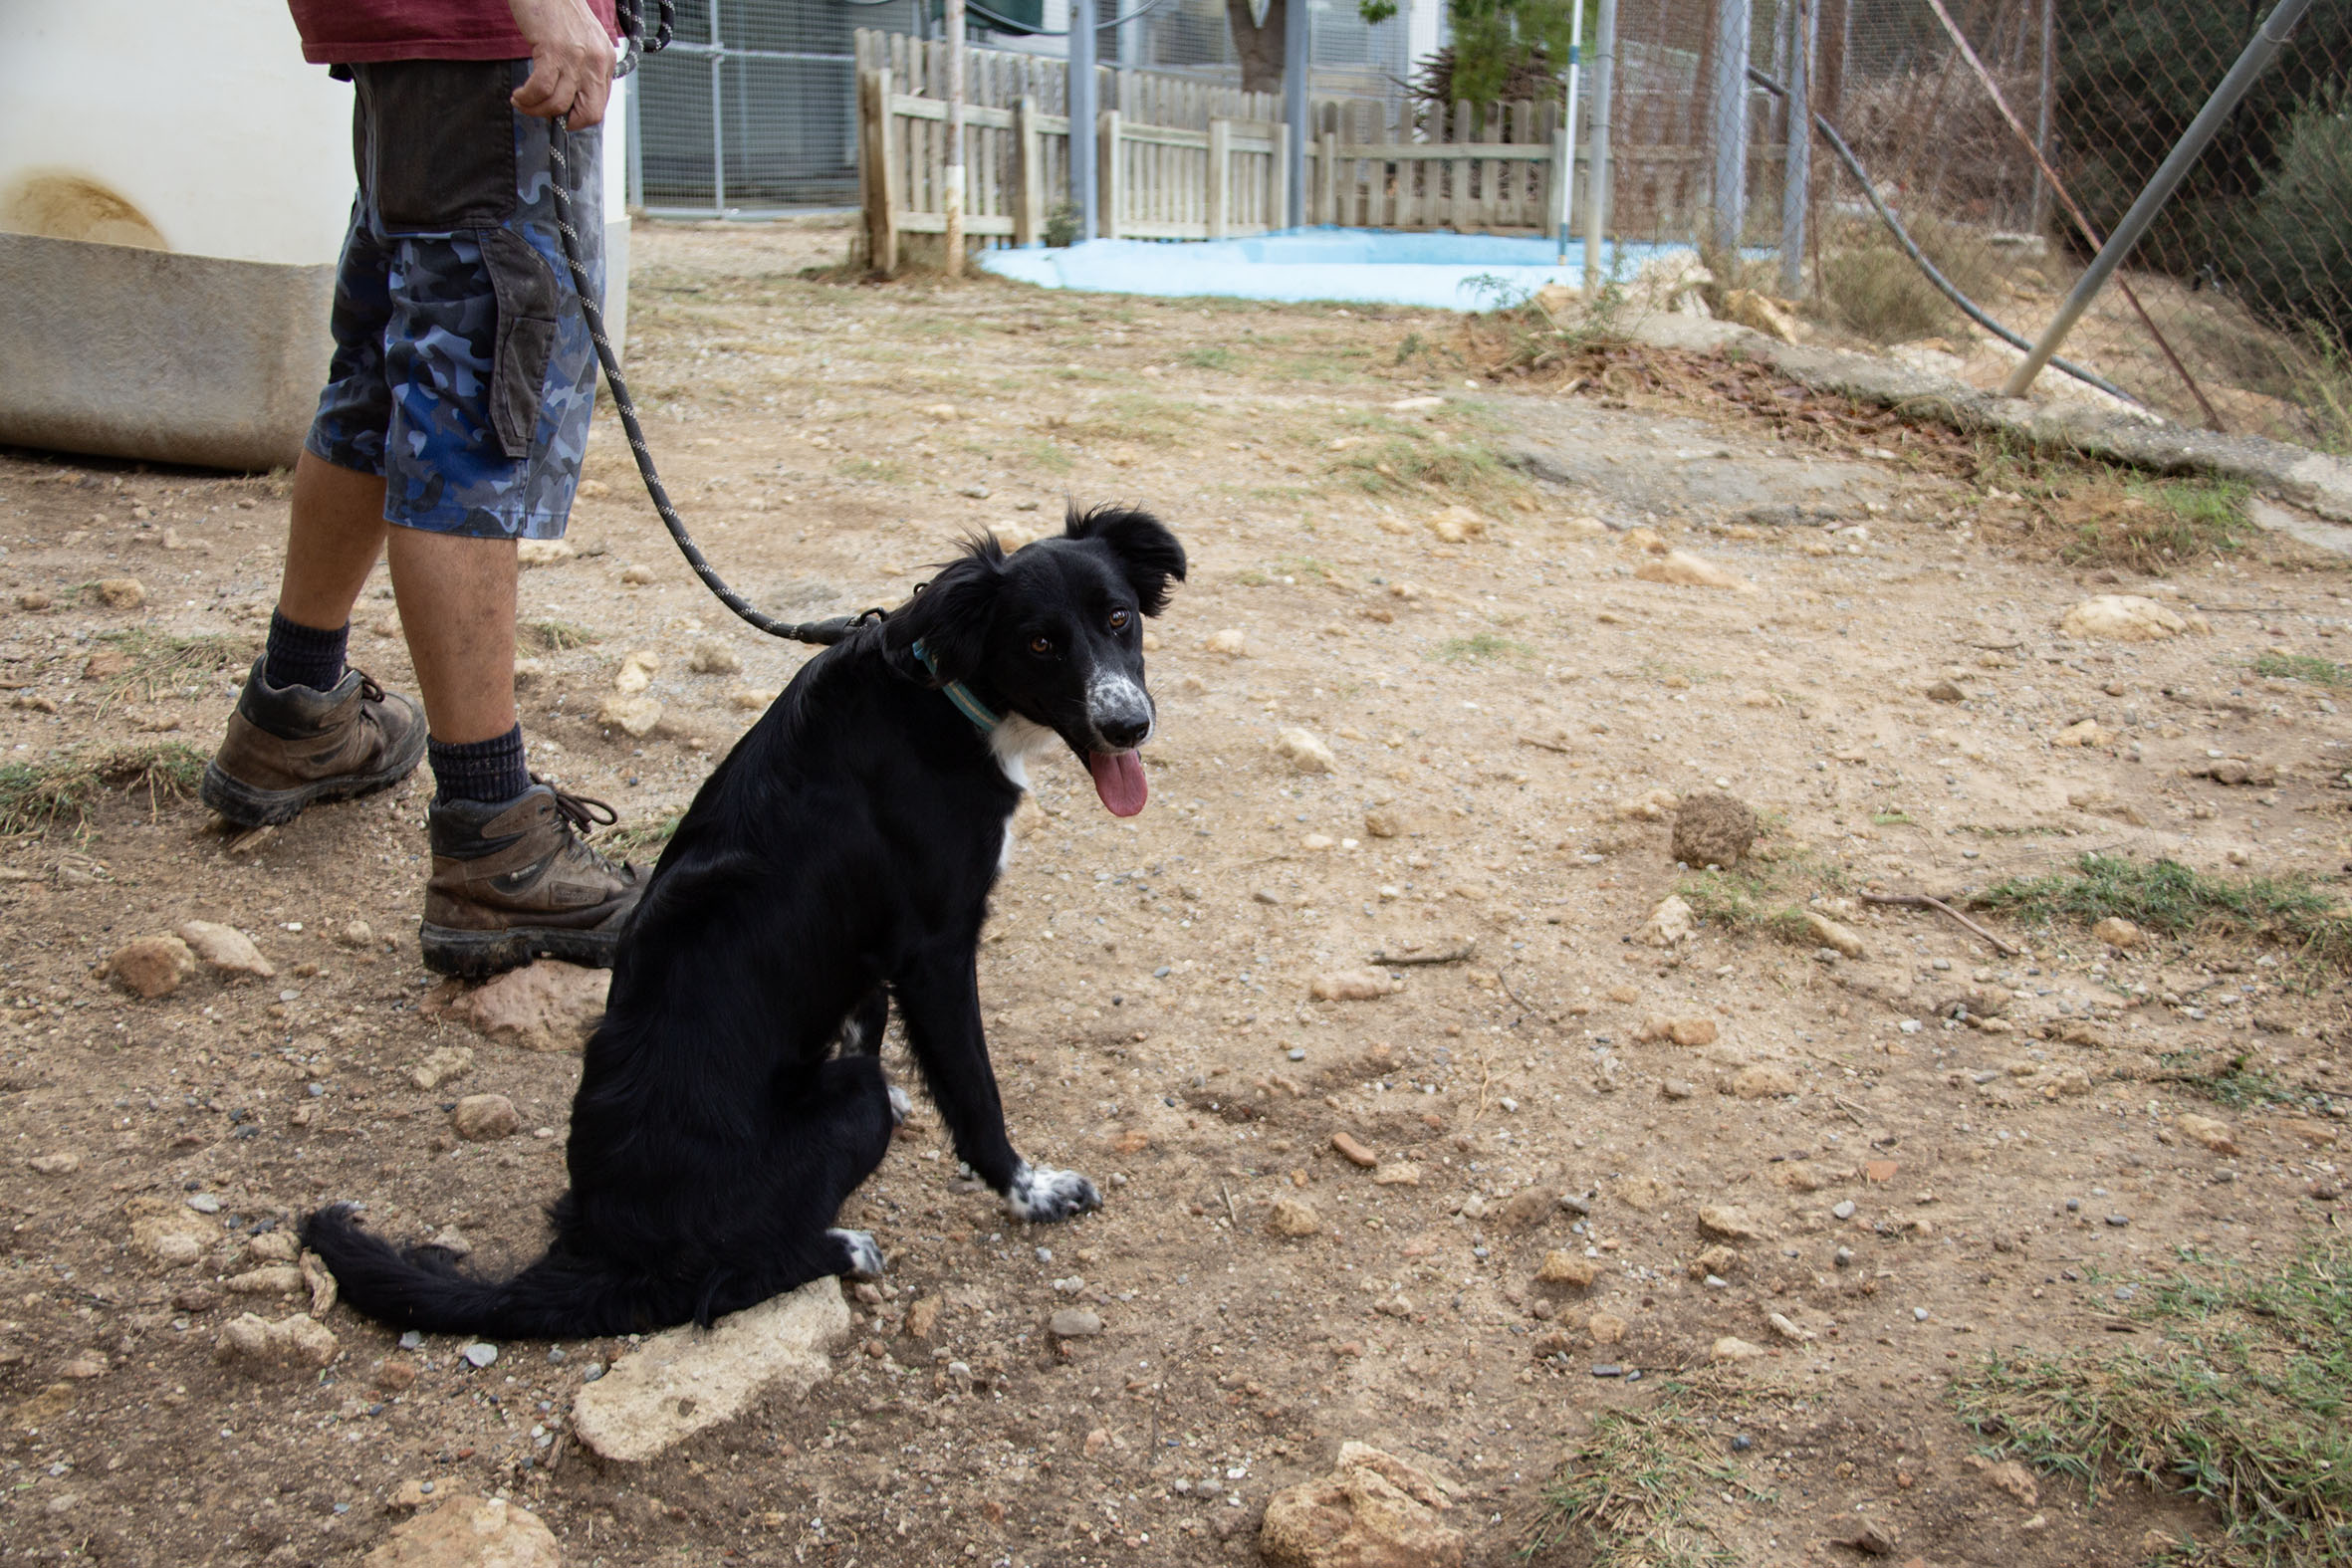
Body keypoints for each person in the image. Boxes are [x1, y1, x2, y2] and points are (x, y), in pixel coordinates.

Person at [204, 0, 644, 978]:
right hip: (489, 48)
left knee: (381, 382)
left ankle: (296, 708)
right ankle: (495, 840)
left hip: (420, 47)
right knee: (475, 413)